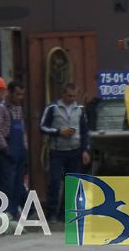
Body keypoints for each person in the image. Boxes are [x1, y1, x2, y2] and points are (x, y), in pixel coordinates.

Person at [40, 83, 91, 222]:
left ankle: (65, 213)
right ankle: (51, 213)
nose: (72, 98)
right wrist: (58, 132)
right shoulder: (52, 108)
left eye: (74, 96)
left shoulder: (80, 109)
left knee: (72, 183)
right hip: (57, 151)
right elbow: (42, 127)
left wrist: (85, 150)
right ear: (63, 94)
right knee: (55, 181)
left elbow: (85, 130)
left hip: (75, 151)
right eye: (69, 96)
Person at [0, 80, 28, 219]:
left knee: (18, 185)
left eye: (22, 95)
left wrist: (25, 149)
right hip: (6, 153)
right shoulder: (0, 108)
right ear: (9, 93)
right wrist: (6, 149)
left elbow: (22, 131)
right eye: (17, 94)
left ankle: (14, 214)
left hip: (19, 153)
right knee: (7, 186)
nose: (20, 98)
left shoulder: (18, 108)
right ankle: (4, 215)